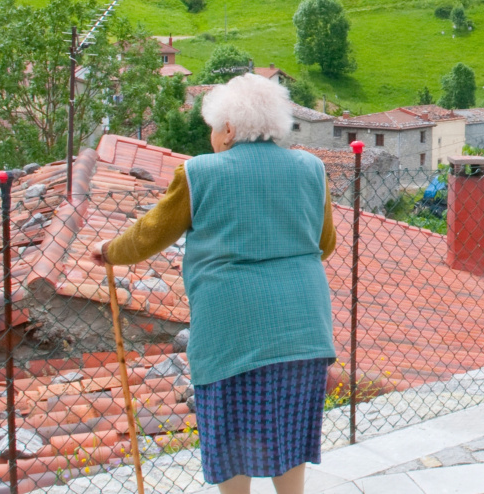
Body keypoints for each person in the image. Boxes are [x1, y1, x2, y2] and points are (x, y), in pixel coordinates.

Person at [91, 73, 337, 494]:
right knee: (290, 432)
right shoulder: (311, 168)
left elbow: (151, 234)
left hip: (232, 330)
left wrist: (110, 251)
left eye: (212, 126)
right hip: (303, 327)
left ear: (227, 128)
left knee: (231, 431)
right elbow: (324, 244)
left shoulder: (198, 173)